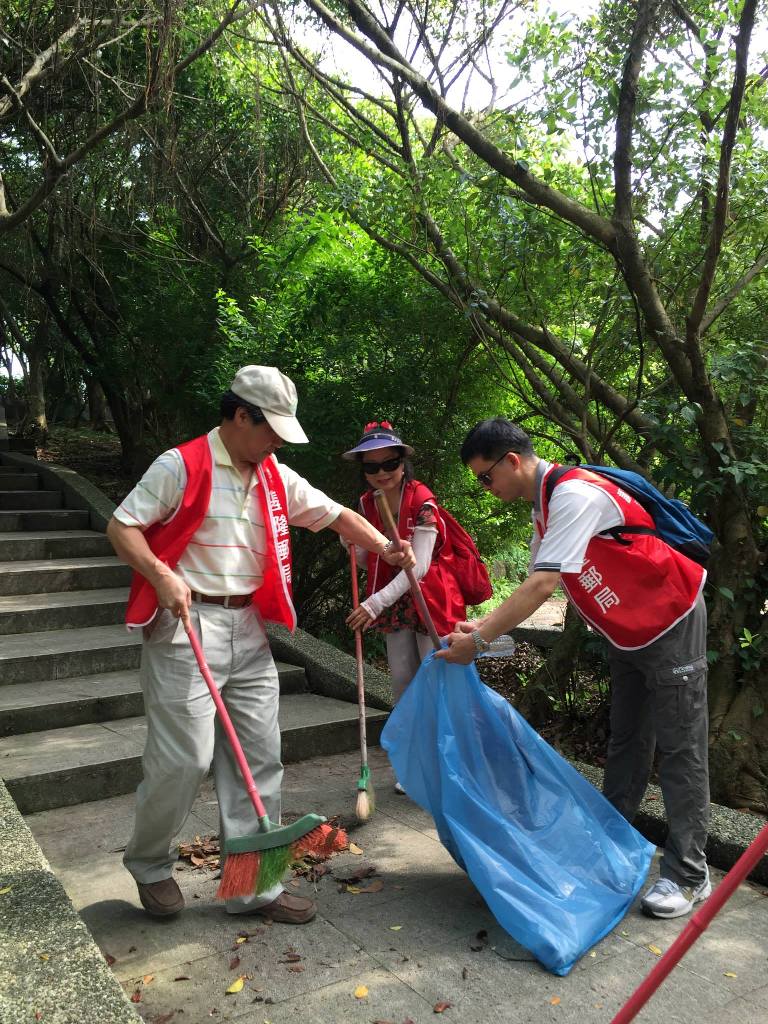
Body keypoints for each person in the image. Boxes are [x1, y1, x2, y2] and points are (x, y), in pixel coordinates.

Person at [107, 367, 415, 924]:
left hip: (247, 627)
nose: (276, 442)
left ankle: (252, 887)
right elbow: (122, 526)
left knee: (259, 757)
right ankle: (150, 863)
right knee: (184, 759)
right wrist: (160, 575)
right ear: (240, 416)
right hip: (185, 622)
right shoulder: (180, 465)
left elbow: (336, 515)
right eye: (270, 429)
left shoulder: (273, 474)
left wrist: (387, 548)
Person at [437, 417, 710, 920]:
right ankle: (612, 842)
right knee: (627, 738)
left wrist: (477, 642)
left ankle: (689, 873)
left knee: (680, 746)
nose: (486, 488)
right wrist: (479, 624)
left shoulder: (575, 496)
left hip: (670, 617)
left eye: (485, 477)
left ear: (512, 461)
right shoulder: (545, 506)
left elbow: (542, 588)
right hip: (628, 626)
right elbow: (532, 581)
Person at [342, 421, 466, 791]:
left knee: (436, 678)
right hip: (393, 601)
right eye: (371, 467)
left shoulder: (423, 502)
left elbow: (421, 566)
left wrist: (374, 602)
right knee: (403, 681)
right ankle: (411, 764)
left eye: (389, 464)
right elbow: (367, 559)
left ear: (403, 463)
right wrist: (353, 545)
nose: (381, 473)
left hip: (431, 599)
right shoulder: (365, 504)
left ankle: (448, 765)